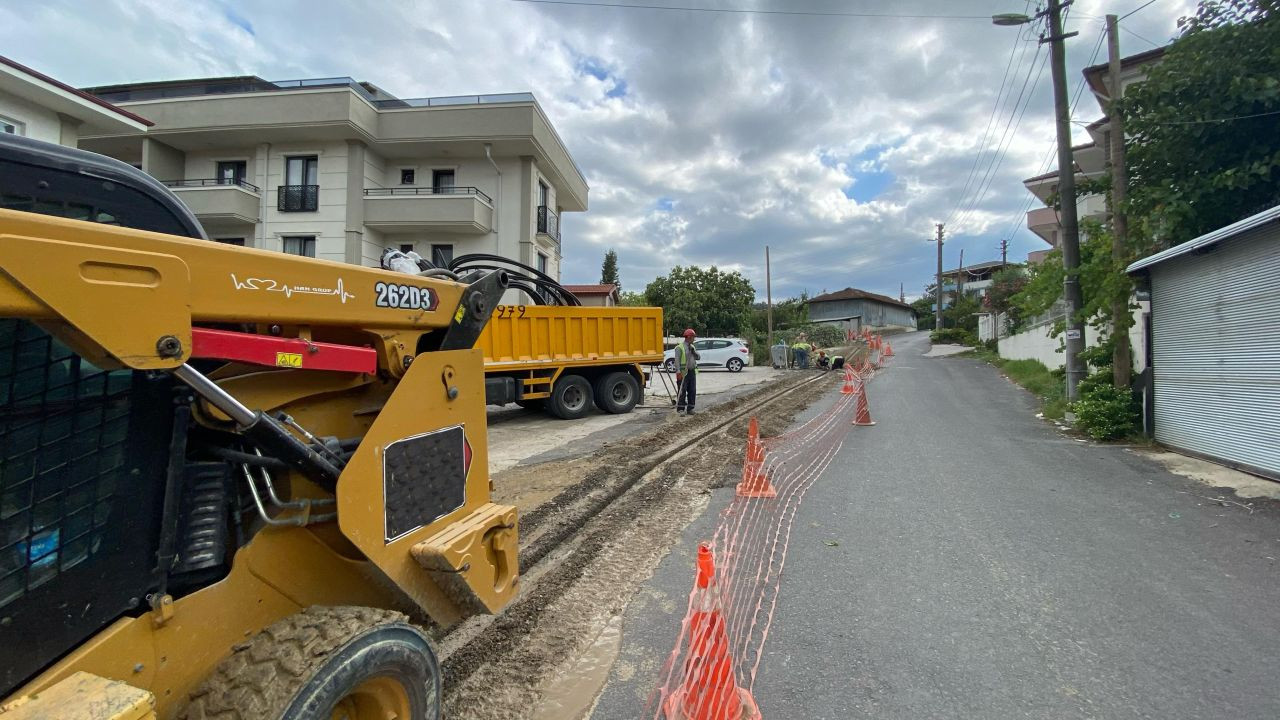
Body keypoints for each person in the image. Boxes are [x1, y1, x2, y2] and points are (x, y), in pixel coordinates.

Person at [674, 328, 700, 414]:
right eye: (693, 337)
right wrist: (678, 372)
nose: (694, 339)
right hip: (683, 372)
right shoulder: (679, 348)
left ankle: (690, 408)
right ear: (688, 337)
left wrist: (694, 352)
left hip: (692, 372)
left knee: (692, 390)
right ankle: (681, 409)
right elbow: (677, 361)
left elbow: (698, 357)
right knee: (682, 390)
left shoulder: (692, 347)